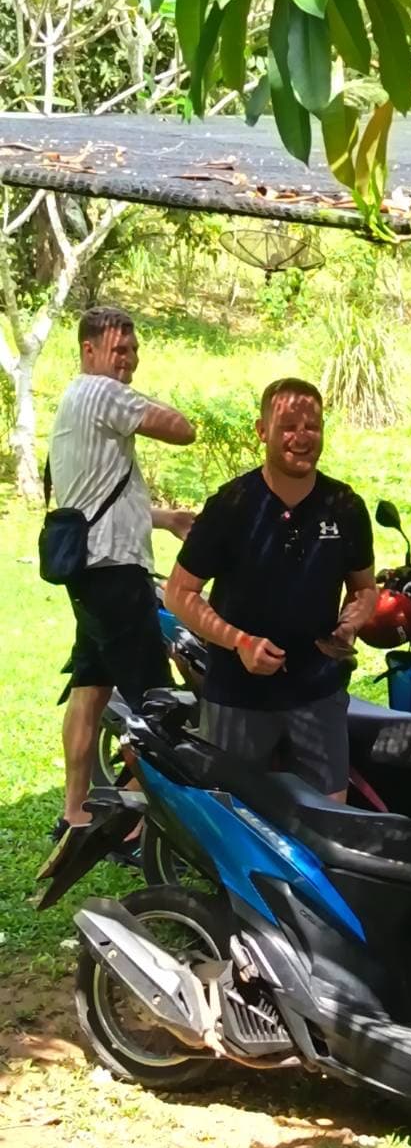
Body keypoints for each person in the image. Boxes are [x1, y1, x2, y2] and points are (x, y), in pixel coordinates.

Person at [164, 378, 377, 800]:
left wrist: (354, 618)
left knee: (330, 816)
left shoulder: (345, 506)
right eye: (288, 427)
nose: (301, 438)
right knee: (235, 817)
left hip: (317, 690)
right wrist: (239, 641)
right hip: (238, 693)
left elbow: (364, 589)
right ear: (263, 432)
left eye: (312, 426)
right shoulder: (232, 505)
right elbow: (179, 593)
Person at [49, 306, 196, 839]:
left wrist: (164, 518)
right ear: (89, 350)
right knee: (153, 697)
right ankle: (138, 821)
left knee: (91, 687)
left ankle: (75, 810)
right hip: (116, 575)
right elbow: (183, 430)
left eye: (134, 351)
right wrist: (147, 401)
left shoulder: (72, 400)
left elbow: (94, 500)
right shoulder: (103, 393)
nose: (129, 362)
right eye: (119, 351)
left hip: (90, 575)